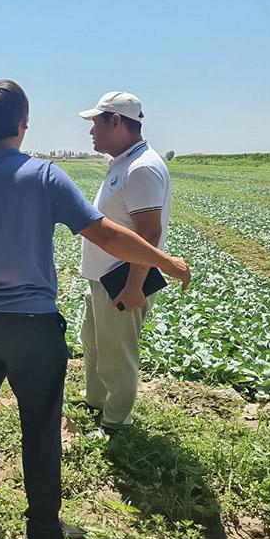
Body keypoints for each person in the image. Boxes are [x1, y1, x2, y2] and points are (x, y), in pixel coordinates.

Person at [0, 80, 191, 539]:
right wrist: (164, 261)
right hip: (33, 329)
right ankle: (44, 531)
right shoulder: (44, 176)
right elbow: (107, 234)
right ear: (22, 125)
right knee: (39, 428)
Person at [78, 92, 172, 436]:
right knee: (95, 342)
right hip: (104, 277)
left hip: (122, 280)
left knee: (118, 355)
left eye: (95, 123)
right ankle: (96, 401)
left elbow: (149, 232)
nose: (91, 132)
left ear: (116, 121)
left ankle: (116, 423)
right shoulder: (123, 162)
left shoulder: (142, 167)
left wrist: (134, 287)